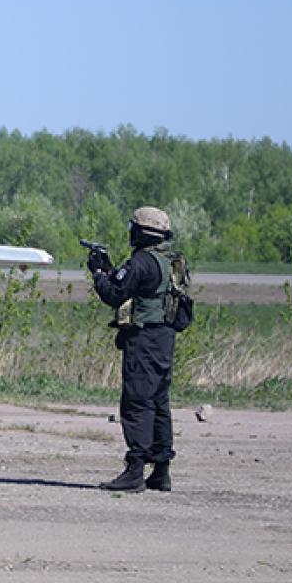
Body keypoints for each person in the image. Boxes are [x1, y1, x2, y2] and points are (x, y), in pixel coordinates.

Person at [88, 206, 187, 493]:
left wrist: (97, 273)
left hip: (144, 340)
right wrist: (110, 270)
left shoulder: (141, 262)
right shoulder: (170, 261)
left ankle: (135, 470)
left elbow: (114, 294)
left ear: (141, 233)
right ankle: (161, 470)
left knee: (136, 403)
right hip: (164, 338)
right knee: (158, 402)